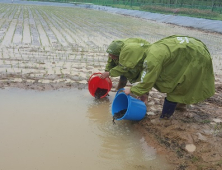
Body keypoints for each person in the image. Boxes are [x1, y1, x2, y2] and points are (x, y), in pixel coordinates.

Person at [100, 35, 215, 119]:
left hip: (196, 55)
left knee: (179, 85)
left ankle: (165, 118)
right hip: (185, 51)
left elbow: (146, 82)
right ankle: (180, 106)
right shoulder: (142, 50)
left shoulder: (151, 60)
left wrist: (131, 89)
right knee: (174, 79)